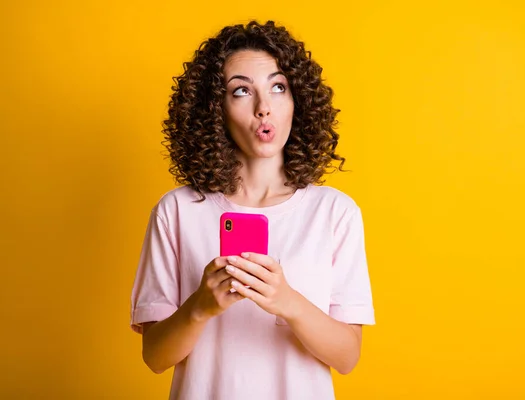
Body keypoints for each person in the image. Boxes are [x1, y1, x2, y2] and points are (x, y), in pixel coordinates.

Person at [130, 20, 375, 400]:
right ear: (216, 110)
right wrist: (200, 307)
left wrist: (287, 301)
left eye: (278, 87)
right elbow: (155, 357)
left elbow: (347, 357)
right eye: (242, 91)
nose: (264, 108)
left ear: (298, 100)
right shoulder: (177, 211)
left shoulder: (334, 213)